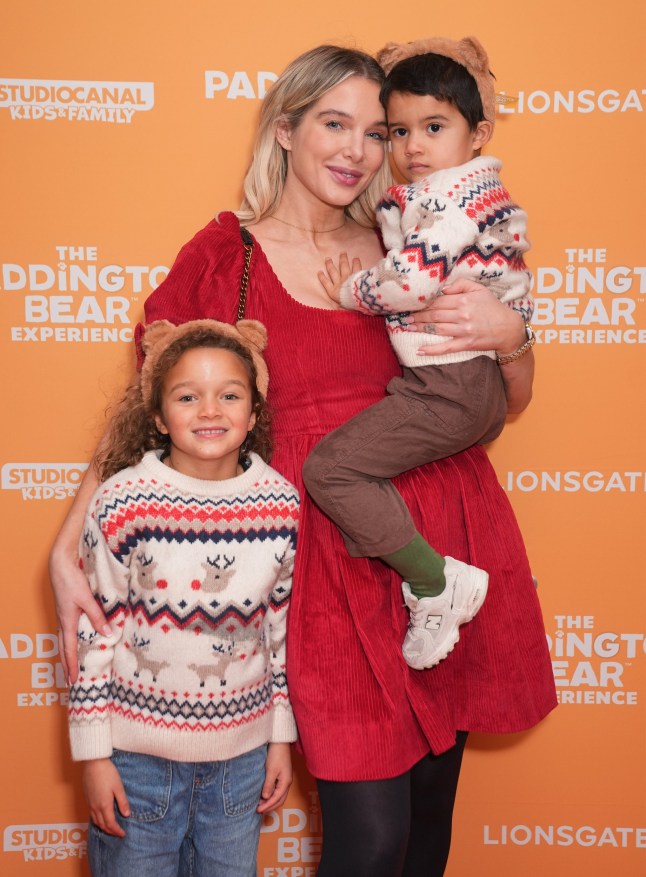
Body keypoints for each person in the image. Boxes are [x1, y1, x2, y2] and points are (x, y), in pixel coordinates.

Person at [50, 44, 557, 877]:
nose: (358, 150)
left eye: (379, 130)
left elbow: (509, 399)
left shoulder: (415, 242)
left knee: (428, 830)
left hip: (441, 546)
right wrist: (68, 548)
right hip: (320, 562)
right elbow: (145, 418)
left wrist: (514, 336)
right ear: (285, 130)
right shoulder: (224, 258)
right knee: (371, 840)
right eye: (334, 123)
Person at [302, 36, 534, 671]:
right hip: (463, 391)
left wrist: (353, 290)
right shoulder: (459, 198)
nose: (412, 148)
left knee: (330, 471)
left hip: (449, 388)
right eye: (398, 131)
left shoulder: (452, 202)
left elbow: (410, 282)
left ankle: (436, 582)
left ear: (479, 131)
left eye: (433, 127)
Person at [68, 318, 300, 876]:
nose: (210, 411)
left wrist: (280, 737)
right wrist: (95, 755)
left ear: (253, 412)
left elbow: (278, 631)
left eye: (229, 395)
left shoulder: (280, 504)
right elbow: (95, 630)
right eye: (188, 397)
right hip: (136, 763)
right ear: (157, 415)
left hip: (240, 763)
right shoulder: (123, 500)